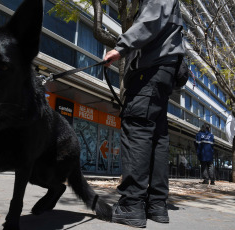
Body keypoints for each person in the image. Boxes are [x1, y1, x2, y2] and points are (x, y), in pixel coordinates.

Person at [103, 0, 185, 228]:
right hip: (164, 73)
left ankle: (131, 205)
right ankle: (157, 205)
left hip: (149, 72)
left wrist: (121, 47)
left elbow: (151, 18)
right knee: (157, 137)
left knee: (137, 130)